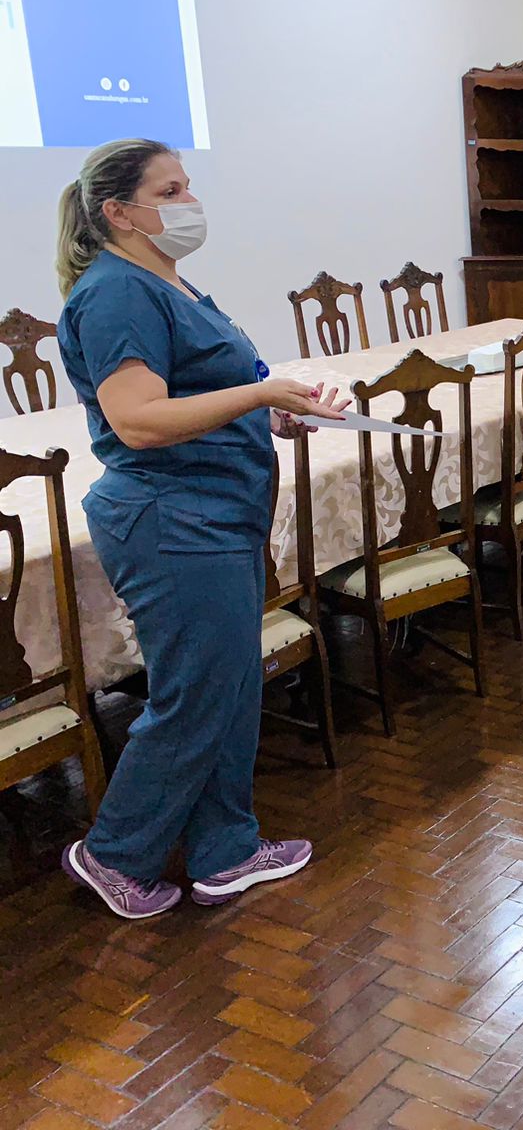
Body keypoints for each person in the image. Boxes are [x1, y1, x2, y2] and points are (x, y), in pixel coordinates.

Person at [52, 139, 347, 919]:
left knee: (229, 684)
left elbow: (201, 392)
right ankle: (114, 855)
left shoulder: (168, 282)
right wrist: (259, 397)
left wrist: (274, 408)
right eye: (170, 189)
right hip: (171, 521)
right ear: (117, 212)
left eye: (187, 186)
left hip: (215, 511)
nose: (189, 202)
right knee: (194, 696)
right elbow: (139, 421)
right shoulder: (116, 292)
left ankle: (225, 850)